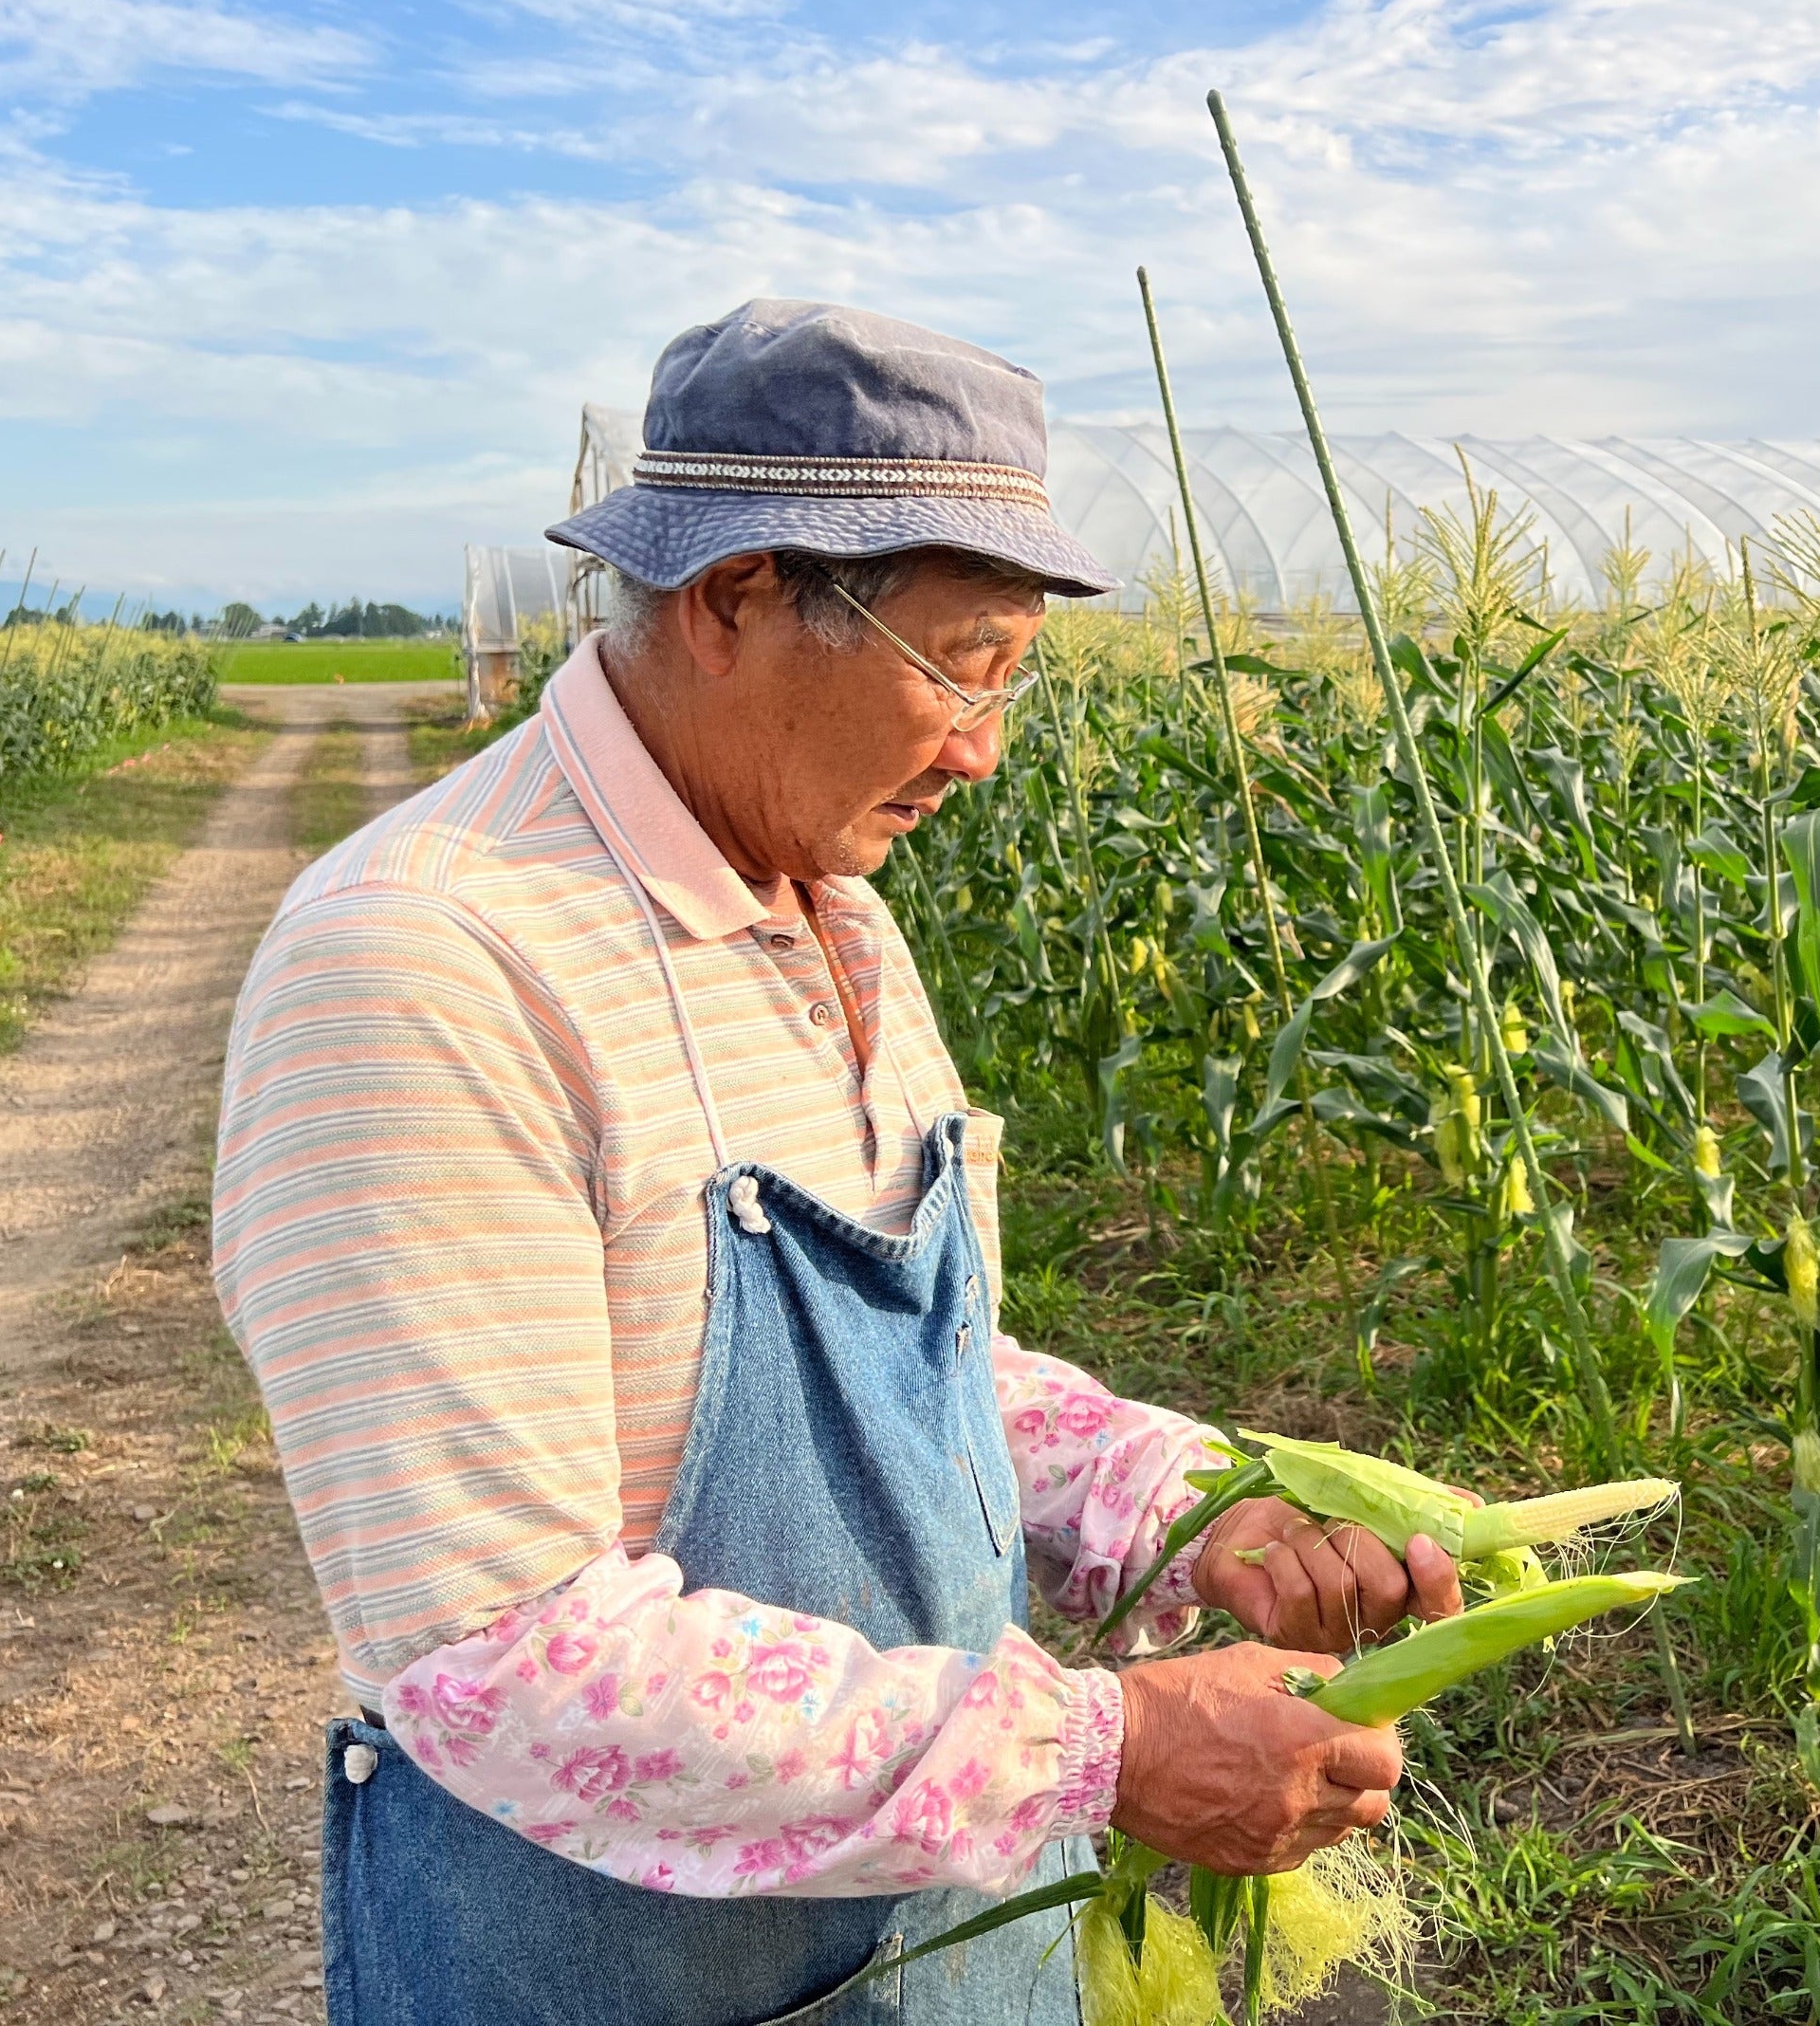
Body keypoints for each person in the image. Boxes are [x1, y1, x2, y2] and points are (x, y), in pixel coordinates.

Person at [212, 299, 1464, 2026]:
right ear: (736, 595)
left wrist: (1186, 1507)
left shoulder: (837, 914)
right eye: (963, 665)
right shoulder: (427, 963)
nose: (984, 748)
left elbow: (921, 1381)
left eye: (1014, 678)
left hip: (947, 1950)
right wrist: (1109, 1747)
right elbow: (502, 1657)